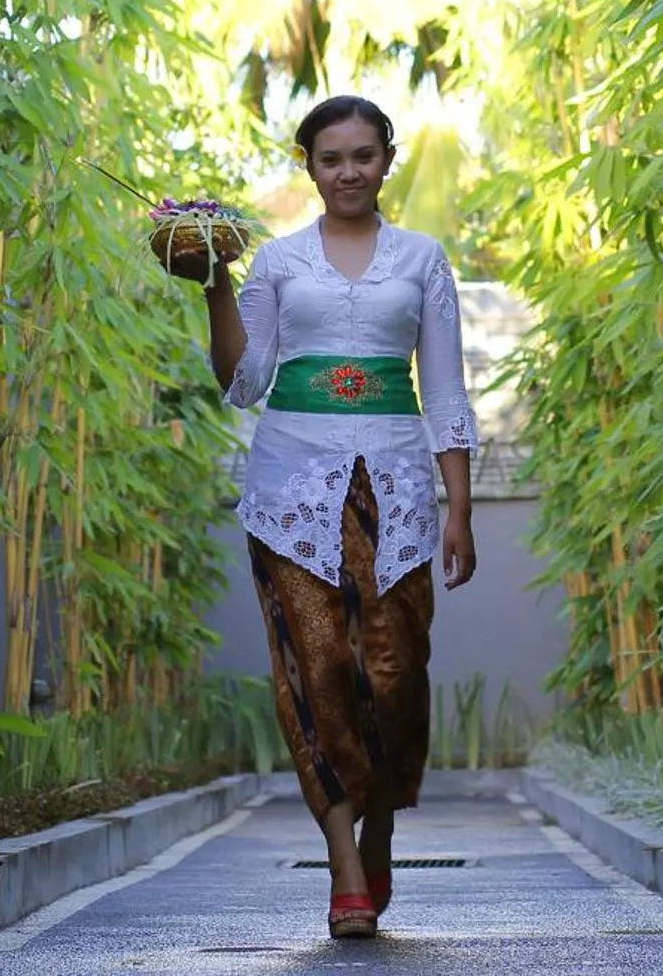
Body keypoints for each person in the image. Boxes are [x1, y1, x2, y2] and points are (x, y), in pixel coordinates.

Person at [192, 95, 478, 939]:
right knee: (314, 670)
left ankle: (379, 821)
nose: (347, 171)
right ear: (309, 166)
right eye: (330, 158)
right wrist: (215, 283)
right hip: (290, 491)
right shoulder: (277, 261)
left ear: (385, 158)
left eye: (362, 155)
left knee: (394, 673)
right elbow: (242, 382)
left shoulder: (422, 258)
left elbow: (446, 390)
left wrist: (459, 507)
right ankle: (343, 863)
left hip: (396, 488)